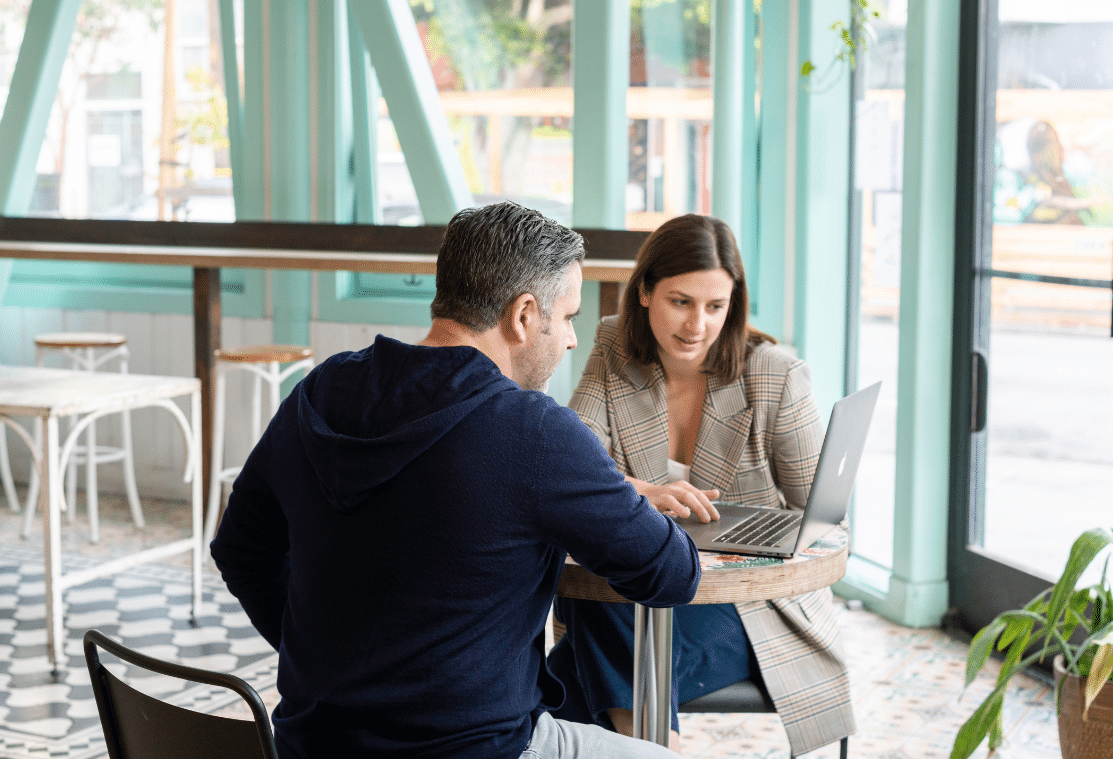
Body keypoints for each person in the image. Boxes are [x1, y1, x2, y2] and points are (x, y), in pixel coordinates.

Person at [210, 201, 701, 759]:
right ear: (522, 315)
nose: (570, 339)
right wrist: (617, 492)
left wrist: (331, 670)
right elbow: (671, 574)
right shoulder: (534, 431)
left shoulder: (319, 392)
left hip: (313, 745)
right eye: (566, 317)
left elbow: (239, 548)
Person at [547, 214, 855, 756]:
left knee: (554, 680)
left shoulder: (775, 375)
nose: (697, 326)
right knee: (610, 607)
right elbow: (575, 465)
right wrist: (638, 491)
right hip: (639, 590)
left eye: (717, 307)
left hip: (747, 607)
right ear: (644, 291)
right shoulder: (615, 345)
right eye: (681, 302)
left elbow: (826, 520)